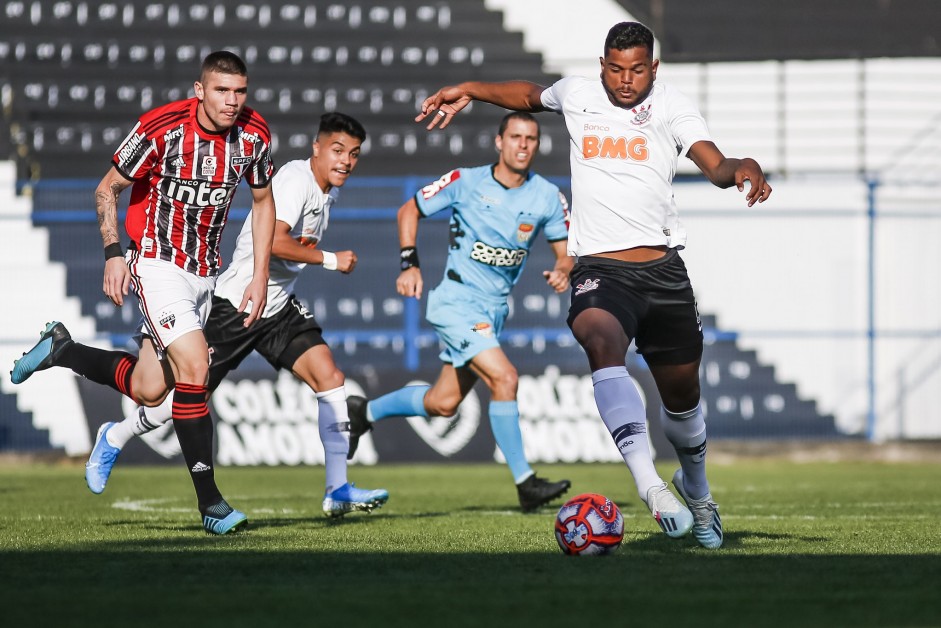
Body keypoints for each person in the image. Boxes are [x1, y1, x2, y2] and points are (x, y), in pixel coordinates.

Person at [414, 21, 773, 548]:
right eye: (615, 68)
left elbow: (716, 165)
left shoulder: (673, 107)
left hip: (663, 273)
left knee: (682, 399)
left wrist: (747, 167)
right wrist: (469, 88)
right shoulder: (579, 94)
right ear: (602, 65)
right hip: (601, 269)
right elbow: (529, 96)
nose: (625, 80)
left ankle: (695, 488)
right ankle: (649, 485)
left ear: (654, 68)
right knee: (599, 339)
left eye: (637, 70)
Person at [11, 51, 277, 535]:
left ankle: (63, 350)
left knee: (149, 388)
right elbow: (106, 189)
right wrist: (115, 252)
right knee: (196, 366)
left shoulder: (254, 135)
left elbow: (263, 202)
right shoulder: (162, 129)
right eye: (221, 90)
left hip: (205, 273)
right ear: (199, 90)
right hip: (156, 262)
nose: (232, 101)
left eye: (239, 91)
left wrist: (259, 275)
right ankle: (211, 505)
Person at [81, 112, 389, 518]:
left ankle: (337, 489)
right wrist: (331, 259)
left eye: (353, 154)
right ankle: (116, 435)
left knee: (330, 378)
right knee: (175, 398)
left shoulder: (325, 190)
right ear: (316, 147)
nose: (345, 161)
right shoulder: (296, 181)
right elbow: (277, 241)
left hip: (277, 307)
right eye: (337, 150)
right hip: (237, 304)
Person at [345, 111, 574, 513]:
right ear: (498, 142)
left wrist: (562, 270)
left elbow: (565, 252)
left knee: (443, 402)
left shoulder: (547, 197)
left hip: (493, 311)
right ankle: (525, 482)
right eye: (515, 136)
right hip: (455, 301)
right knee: (505, 378)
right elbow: (408, 211)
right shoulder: (465, 182)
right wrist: (409, 263)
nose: (523, 145)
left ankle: (364, 411)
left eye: (531, 138)